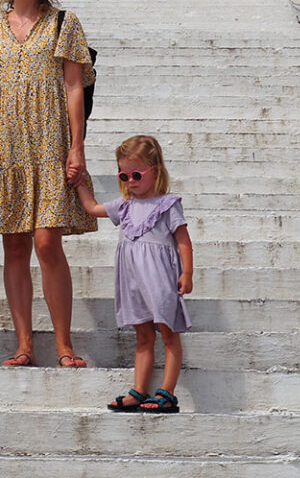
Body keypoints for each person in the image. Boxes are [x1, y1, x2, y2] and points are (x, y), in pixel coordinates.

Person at [0, 0, 96, 368]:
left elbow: (75, 87)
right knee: (15, 247)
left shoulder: (65, 23)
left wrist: (76, 146)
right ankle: (24, 344)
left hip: (49, 141)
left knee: (47, 242)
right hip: (6, 147)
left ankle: (63, 344)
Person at [74, 135, 193, 414]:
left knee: (168, 333)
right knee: (142, 336)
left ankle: (167, 392)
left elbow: (183, 240)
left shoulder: (168, 204)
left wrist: (187, 272)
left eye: (136, 174)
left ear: (156, 171)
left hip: (161, 279)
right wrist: (80, 183)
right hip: (133, 283)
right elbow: (92, 208)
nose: (130, 180)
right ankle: (139, 390)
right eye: (123, 175)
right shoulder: (124, 205)